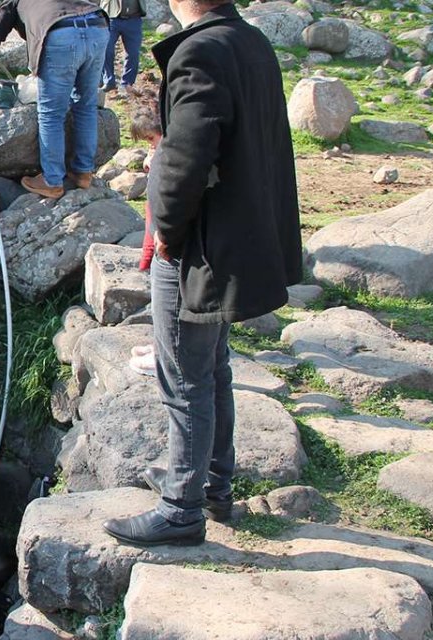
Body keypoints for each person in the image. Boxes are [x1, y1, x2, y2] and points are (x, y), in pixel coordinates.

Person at [102, 0, 301, 546]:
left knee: (183, 374)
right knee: (212, 364)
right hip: (235, 233)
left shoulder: (199, 51)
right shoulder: (250, 40)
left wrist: (165, 228)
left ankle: (180, 509)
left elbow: (185, 153)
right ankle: (211, 485)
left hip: (197, 245)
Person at [0, 0, 110, 199]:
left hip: (60, 34)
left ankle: (52, 181)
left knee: (51, 113)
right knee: (85, 105)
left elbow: (1, 21)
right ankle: (83, 172)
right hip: (97, 27)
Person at [125, 78, 161, 378]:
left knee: (172, 302)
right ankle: (162, 344)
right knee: (161, 299)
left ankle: (168, 354)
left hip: (169, 242)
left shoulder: (178, 157)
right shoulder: (164, 157)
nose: (150, 148)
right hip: (159, 237)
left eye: (152, 140)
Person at [99, 0, 145, 94]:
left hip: (134, 19)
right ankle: (108, 81)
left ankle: (127, 83)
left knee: (133, 53)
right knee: (106, 49)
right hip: (111, 17)